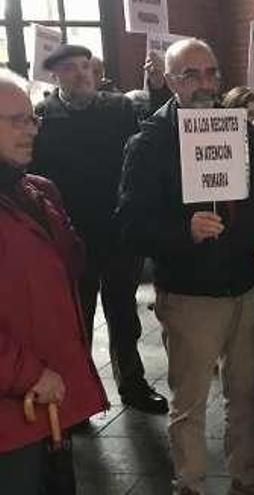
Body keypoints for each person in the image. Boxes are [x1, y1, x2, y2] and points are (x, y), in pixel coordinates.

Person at [117, 38, 254, 494]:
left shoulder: (247, 134)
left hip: (245, 288)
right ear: (170, 81)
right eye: (191, 74)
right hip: (190, 295)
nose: (205, 83)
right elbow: (130, 225)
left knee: (247, 398)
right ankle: (189, 485)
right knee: (190, 404)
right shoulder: (149, 142)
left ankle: (249, 482)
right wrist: (183, 229)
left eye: (211, 72)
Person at [30, 44, 168, 416]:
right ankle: (76, 395)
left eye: (86, 67)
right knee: (78, 319)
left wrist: (156, 89)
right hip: (71, 236)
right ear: (56, 75)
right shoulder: (43, 117)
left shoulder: (119, 108)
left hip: (118, 229)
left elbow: (154, 137)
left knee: (124, 312)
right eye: (72, 69)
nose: (82, 74)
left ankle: (132, 383)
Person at [0, 67, 107, 493]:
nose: (30, 130)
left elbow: (68, 269)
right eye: (15, 121)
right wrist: (27, 375)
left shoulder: (36, 190)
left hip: (46, 400)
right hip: (15, 408)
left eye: (32, 119)